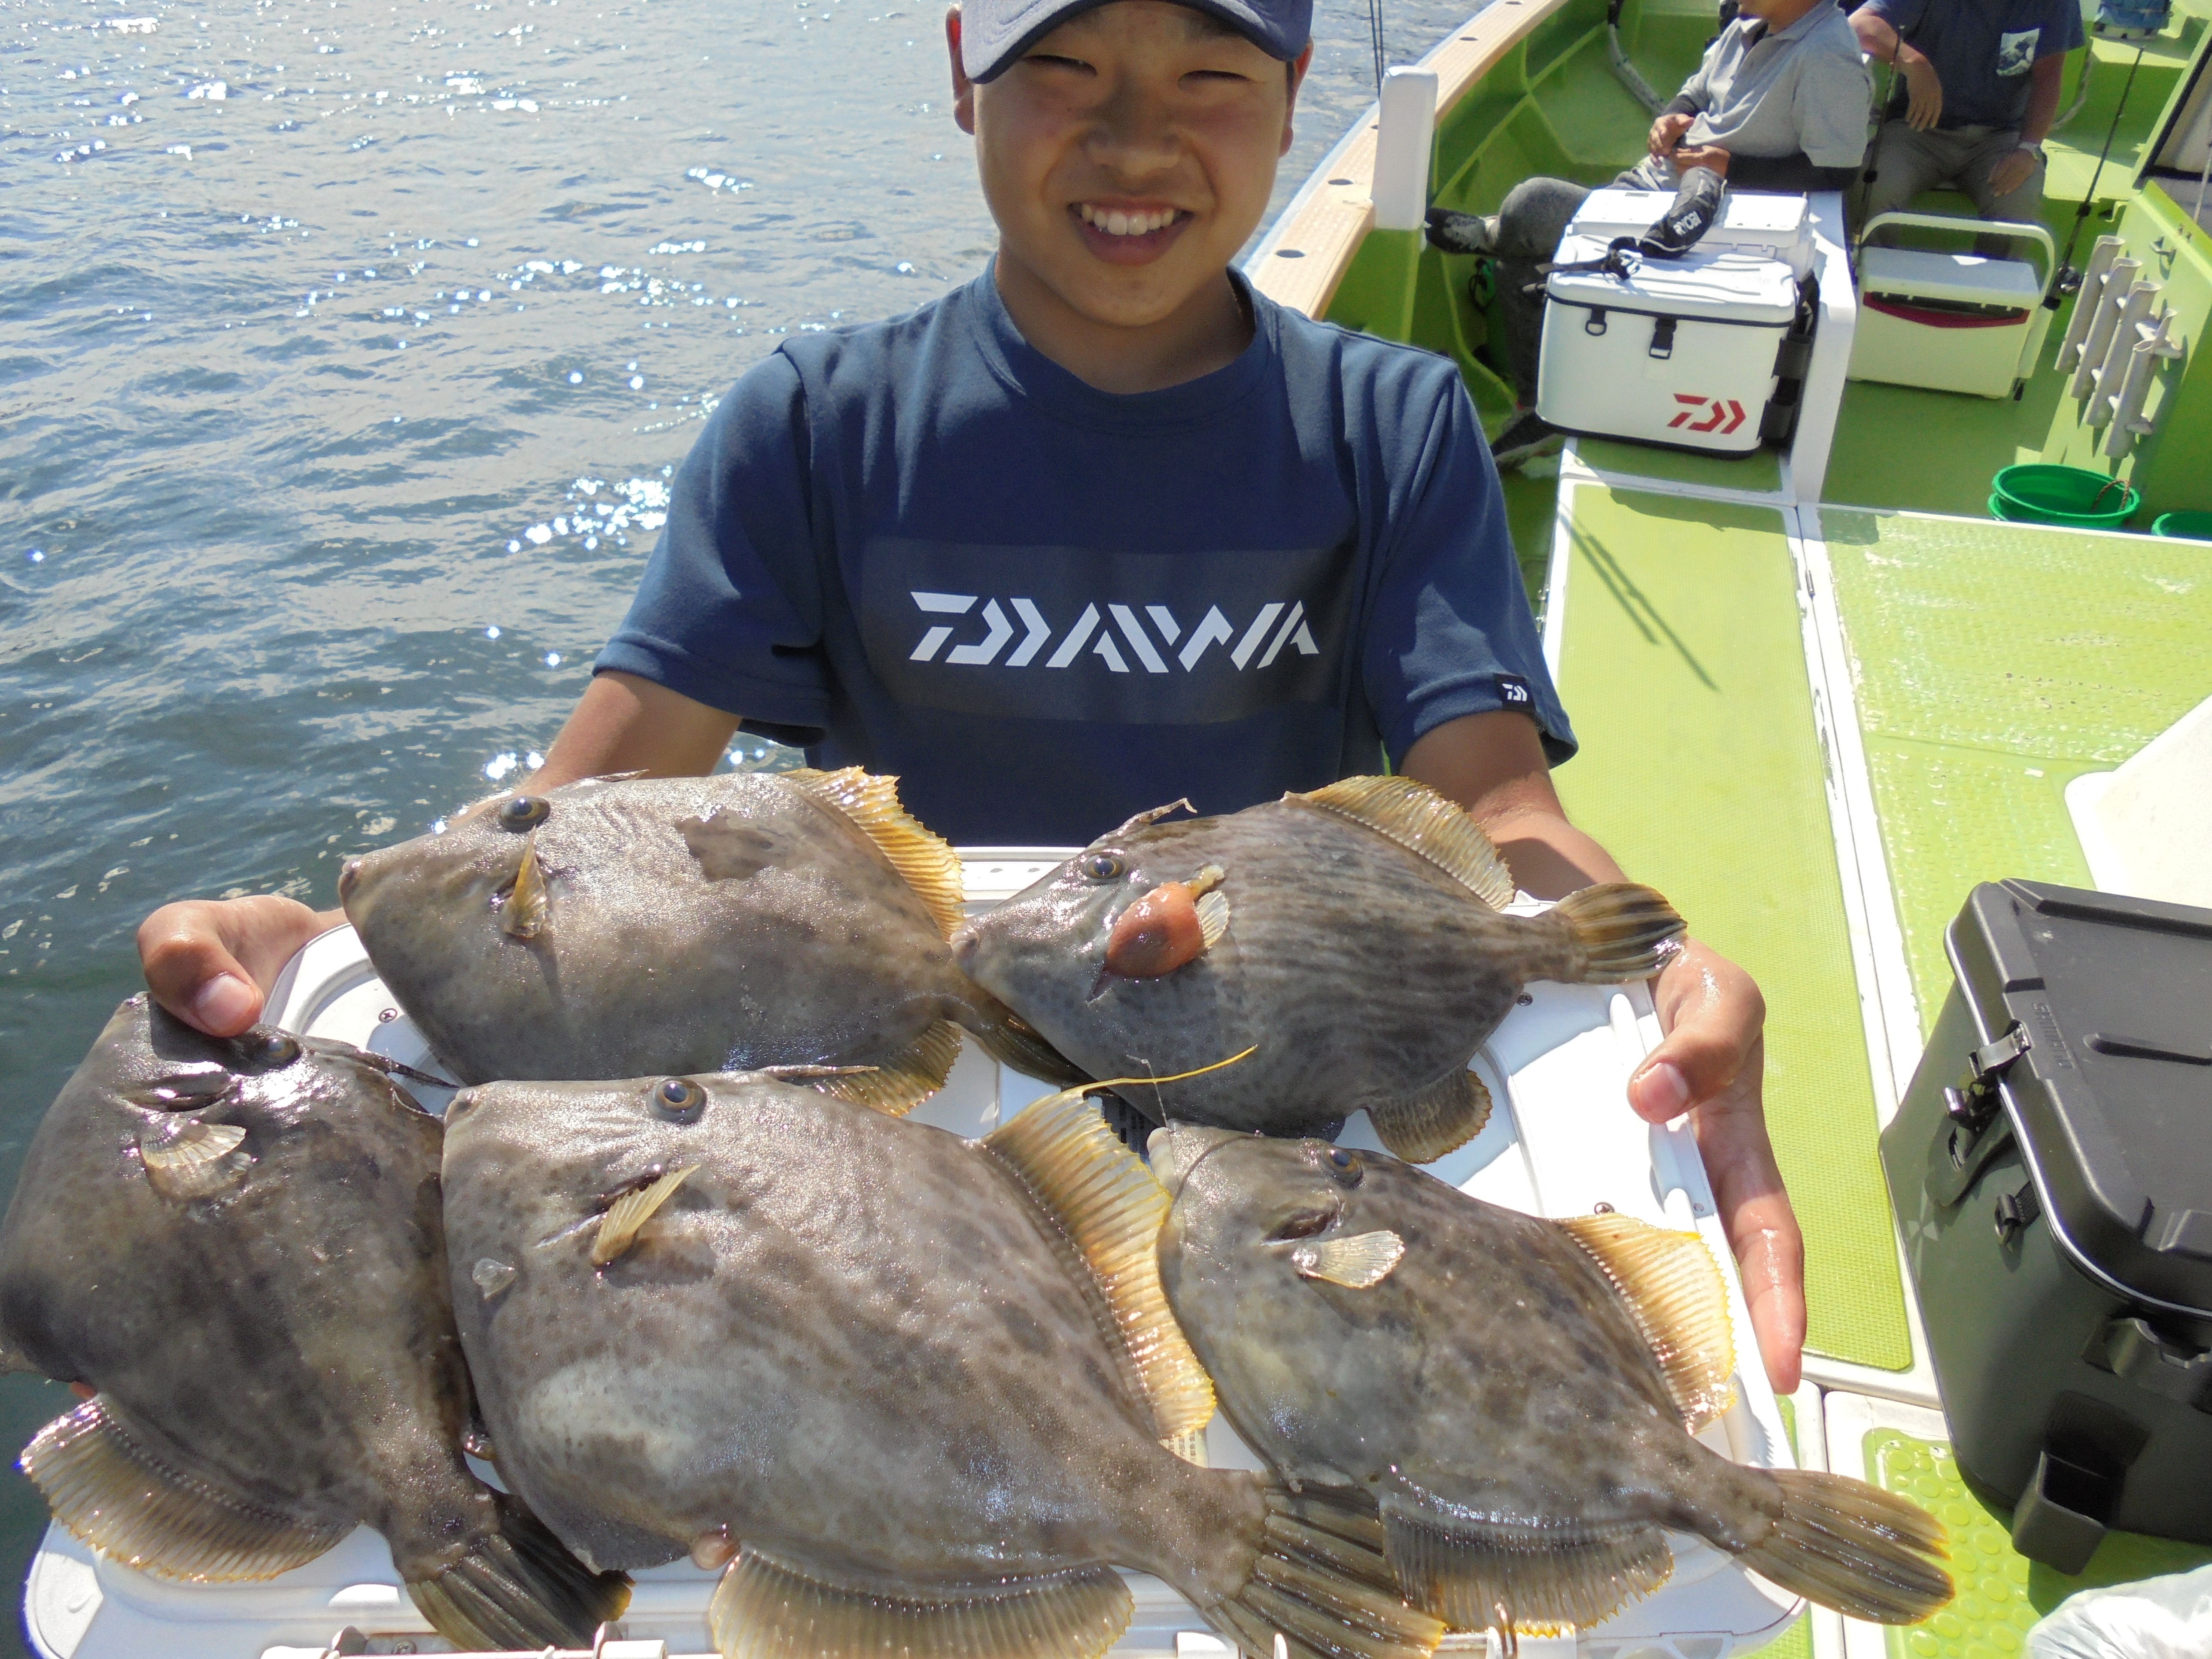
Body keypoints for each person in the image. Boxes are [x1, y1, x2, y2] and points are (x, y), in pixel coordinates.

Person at [134, 0, 1806, 1390]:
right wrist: (347, 941)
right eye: (1063, 69)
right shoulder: (815, 425)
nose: (1135, 142)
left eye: (1208, 78)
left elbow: (1494, 807)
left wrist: (1645, 969)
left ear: (1296, 95)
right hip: (913, 1145)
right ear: (963, 74)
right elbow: (596, 798)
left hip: (1274, 1111)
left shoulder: (1393, 425)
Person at [1427, 0, 1872, 467]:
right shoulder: (1753, 25)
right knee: (1523, 246)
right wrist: (1674, 116)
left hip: (1702, 219)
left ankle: (1542, 400)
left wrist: (1730, 167)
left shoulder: (1827, 55)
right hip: (1653, 185)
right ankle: (1537, 395)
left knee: (1531, 207)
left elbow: (1837, 171)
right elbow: (1697, 91)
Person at [1850, 0, 2082, 228]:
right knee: (1875, 185)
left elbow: (2049, 78)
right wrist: (1915, 63)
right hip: (1916, 128)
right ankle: (1873, 253)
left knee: (2018, 202)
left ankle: (1999, 258)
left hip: (2000, 137)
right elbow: (1860, 25)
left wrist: (2028, 149)